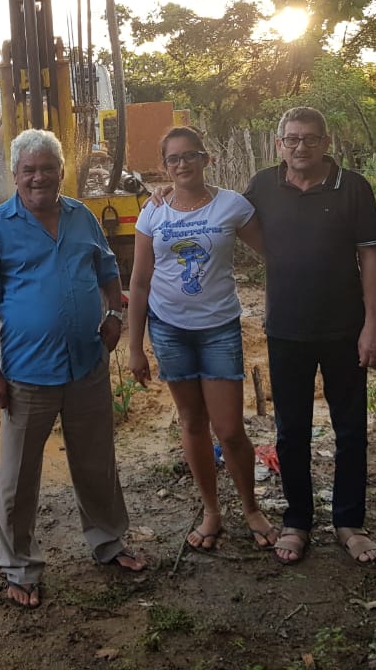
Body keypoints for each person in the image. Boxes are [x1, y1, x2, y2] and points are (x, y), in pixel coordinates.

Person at [0, 129, 146, 609]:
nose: (38, 177)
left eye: (47, 168)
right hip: (26, 375)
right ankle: (20, 567)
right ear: (16, 175)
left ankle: (108, 543)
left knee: (96, 464)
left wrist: (114, 315)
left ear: (62, 171)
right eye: (29, 170)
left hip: (87, 366)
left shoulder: (82, 216)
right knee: (18, 478)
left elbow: (109, 273)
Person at [244, 107, 376, 566]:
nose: (300, 147)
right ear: (279, 144)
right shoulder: (264, 185)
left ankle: (349, 521)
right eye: (291, 139)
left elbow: (370, 259)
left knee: (350, 430)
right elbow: (228, 216)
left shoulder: (354, 187)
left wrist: (372, 324)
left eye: (309, 139)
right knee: (291, 431)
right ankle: (298, 521)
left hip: (345, 329)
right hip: (287, 328)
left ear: (326, 142)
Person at [127, 127, 277, 553]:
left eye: (190, 155)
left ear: (206, 159)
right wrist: (134, 346)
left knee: (229, 429)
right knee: (192, 422)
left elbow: (273, 252)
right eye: (173, 158)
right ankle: (211, 510)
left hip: (218, 329)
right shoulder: (153, 212)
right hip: (169, 329)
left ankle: (250, 507)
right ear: (164, 165)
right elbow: (139, 282)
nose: (182, 164)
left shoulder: (232, 205)